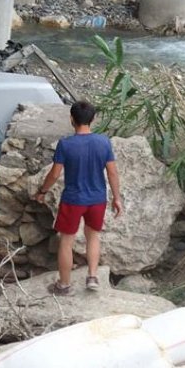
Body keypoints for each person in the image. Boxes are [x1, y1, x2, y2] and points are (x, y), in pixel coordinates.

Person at [35, 101, 122, 296]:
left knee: (67, 241)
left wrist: (42, 191)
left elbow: (55, 174)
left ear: (71, 119)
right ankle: (92, 276)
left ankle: (64, 285)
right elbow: (113, 173)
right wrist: (117, 198)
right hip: (97, 199)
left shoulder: (65, 145)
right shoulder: (104, 142)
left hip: (73, 200)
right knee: (93, 237)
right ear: (92, 120)